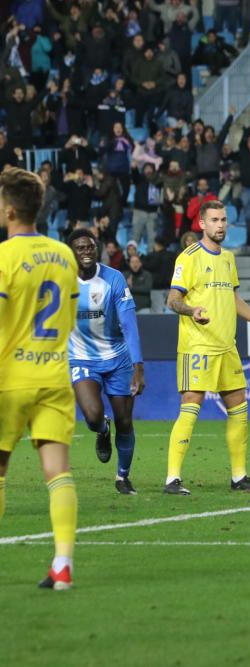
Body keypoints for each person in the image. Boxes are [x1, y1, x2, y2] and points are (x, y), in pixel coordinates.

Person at [164, 201, 250, 495]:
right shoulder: (189, 257)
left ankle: (239, 477)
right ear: (202, 224)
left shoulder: (228, 258)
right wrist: (191, 310)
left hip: (227, 346)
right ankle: (172, 478)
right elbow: (172, 299)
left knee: (239, 406)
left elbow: (234, 301)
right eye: (215, 220)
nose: (221, 225)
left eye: (224, 220)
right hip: (198, 346)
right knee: (191, 406)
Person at [0, 167, 80, 590]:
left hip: (10, 378)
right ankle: (62, 563)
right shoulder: (64, 254)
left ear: (10, 210)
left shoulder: (4, 257)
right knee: (58, 471)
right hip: (53, 375)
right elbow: (68, 317)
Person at [66, 229, 145, 495]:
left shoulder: (114, 278)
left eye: (90, 247)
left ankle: (123, 477)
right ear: (71, 252)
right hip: (81, 358)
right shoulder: (61, 280)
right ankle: (101, 430)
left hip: (117, 359)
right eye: (80, 248)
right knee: (92, 415)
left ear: (97, 249)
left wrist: (138, 366)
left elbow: (129, 324)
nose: (86, 252)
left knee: (124, 421)